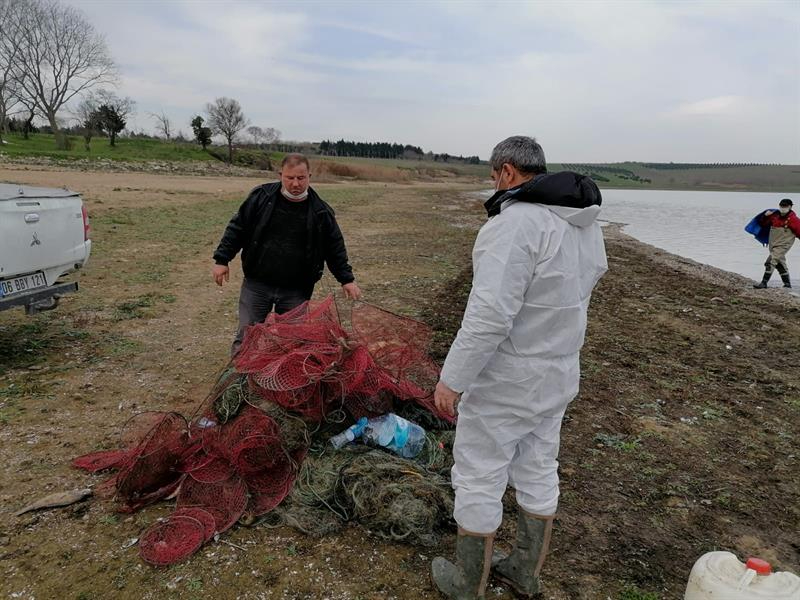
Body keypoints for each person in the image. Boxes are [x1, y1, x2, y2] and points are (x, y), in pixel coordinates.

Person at [430, 136, 607, 599]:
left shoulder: (514, 225)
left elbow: (489, 316)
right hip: (559, 372)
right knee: (539, 464)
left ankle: (468, 582)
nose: (494, 184)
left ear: (507, 172)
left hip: (509, 377)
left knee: (479, 470)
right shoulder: (584, 224)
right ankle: (524, 571)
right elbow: (589, 281)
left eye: (494, 176)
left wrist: (452, 379)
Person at [212, 153, 361, 356]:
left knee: (291, 341)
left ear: (309, 176)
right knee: (247, 335)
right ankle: (239, 372)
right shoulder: (261, 197)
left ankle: (279, 374)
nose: (295, 183)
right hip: (257, 284)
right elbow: (237, 228)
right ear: (280, 175)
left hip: (297, 290)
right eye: (290, 178)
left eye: (301, 178)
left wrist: (347, 279)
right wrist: (222, 259)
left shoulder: (321, 212)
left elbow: (334, 248)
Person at [753, 198, 799, 289]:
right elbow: (763, 224)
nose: (783, 208)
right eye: (781, 206)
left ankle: (764, 283)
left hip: (783, 246)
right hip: (773, 245)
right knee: (779, 263)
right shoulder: (774, 216)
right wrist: (765, 216)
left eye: (785, 206)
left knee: (770, 262)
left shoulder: (794, 220)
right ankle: (787, 285)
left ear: (790, 207)